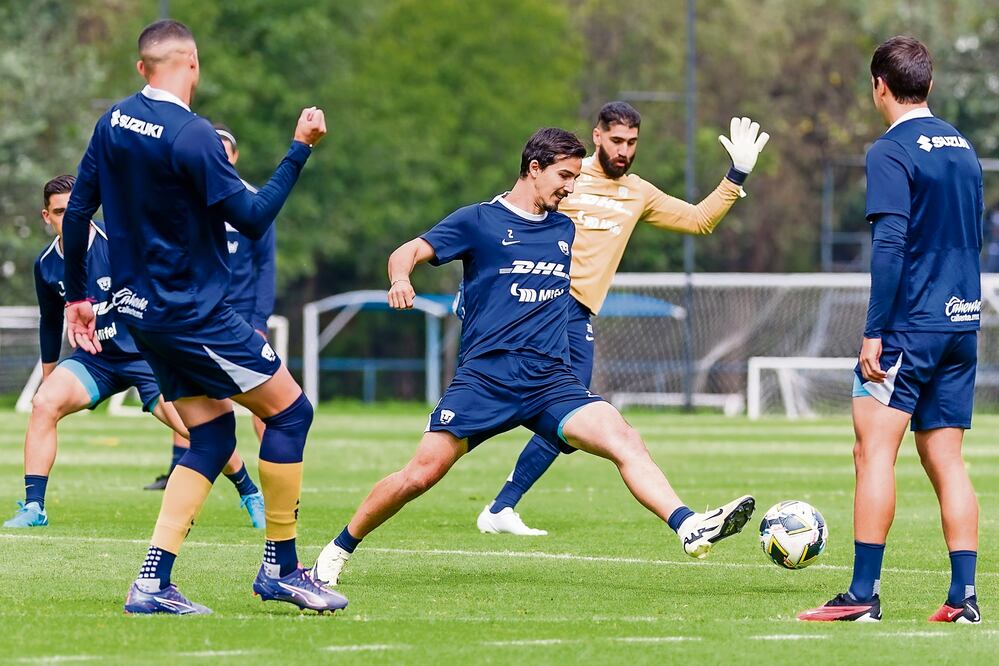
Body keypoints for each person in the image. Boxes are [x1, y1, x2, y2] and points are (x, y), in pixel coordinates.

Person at [311, 128, 756, 588]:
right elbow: (409, 251)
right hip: (486, 380)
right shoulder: (478, 221)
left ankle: (688, 526)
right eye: (564, 175)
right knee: (420, 476)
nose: (571, 185)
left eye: (576, 177)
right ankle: (338, 548)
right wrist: (401, 278)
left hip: (550, 382)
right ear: (534, 168)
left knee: (625, 439)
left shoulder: (564, 227)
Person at [61, 19, 345, 615]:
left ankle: (151, 582)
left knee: (212, 436)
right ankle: (282, 568)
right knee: (292, 412)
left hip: (139, 312)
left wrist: (78, 296)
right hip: (191, 313)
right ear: (193, 64)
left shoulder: (113, 121)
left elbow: (79, 208)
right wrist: (300, 150)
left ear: (143, 67)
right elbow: (254, 217)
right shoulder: (193, 136)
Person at [476, 102, 770, 535]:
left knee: (569, 418)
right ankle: (500, 502)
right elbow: (512, 220)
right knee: (566, 413)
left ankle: (502, 506)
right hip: (538, 308)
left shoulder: (638, 192)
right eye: (616, 141)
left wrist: (736, 176)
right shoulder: (567, 177)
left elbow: (699, 220)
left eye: (632, 143)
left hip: (577, 315)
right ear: (597, 136)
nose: (624, 151)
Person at [799, 36, 984, 624]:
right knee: (947, 460)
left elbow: (890, 245)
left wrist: (875, 330)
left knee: (872, 451)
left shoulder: (890, 149)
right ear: (927, 85)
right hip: (962, 323)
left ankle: (861, 594)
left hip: (910, 327)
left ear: (879, 85)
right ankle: (963, 597)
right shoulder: (964, 147)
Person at [3, 175, 200, 528]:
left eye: (75, 209)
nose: (69, 218)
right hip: (96, 362)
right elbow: (50, 323)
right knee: (43, 404)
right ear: (46, 217)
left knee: (194, 429)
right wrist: (49, 380)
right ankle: (34, 508)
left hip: (145, 355)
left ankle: (249, 492)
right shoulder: (46, 264)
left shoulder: (119, 242)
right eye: (59, 212)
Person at [142, 124, 272, 532]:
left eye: (224, 151)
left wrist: (259, 320)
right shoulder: (182, 196)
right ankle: (184, 477)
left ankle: (270, 478)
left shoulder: (248, 200)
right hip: (193, 316)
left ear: (232, 158)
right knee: (194, 404)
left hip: (236, 318)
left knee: (274, 404)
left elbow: (265, 265)